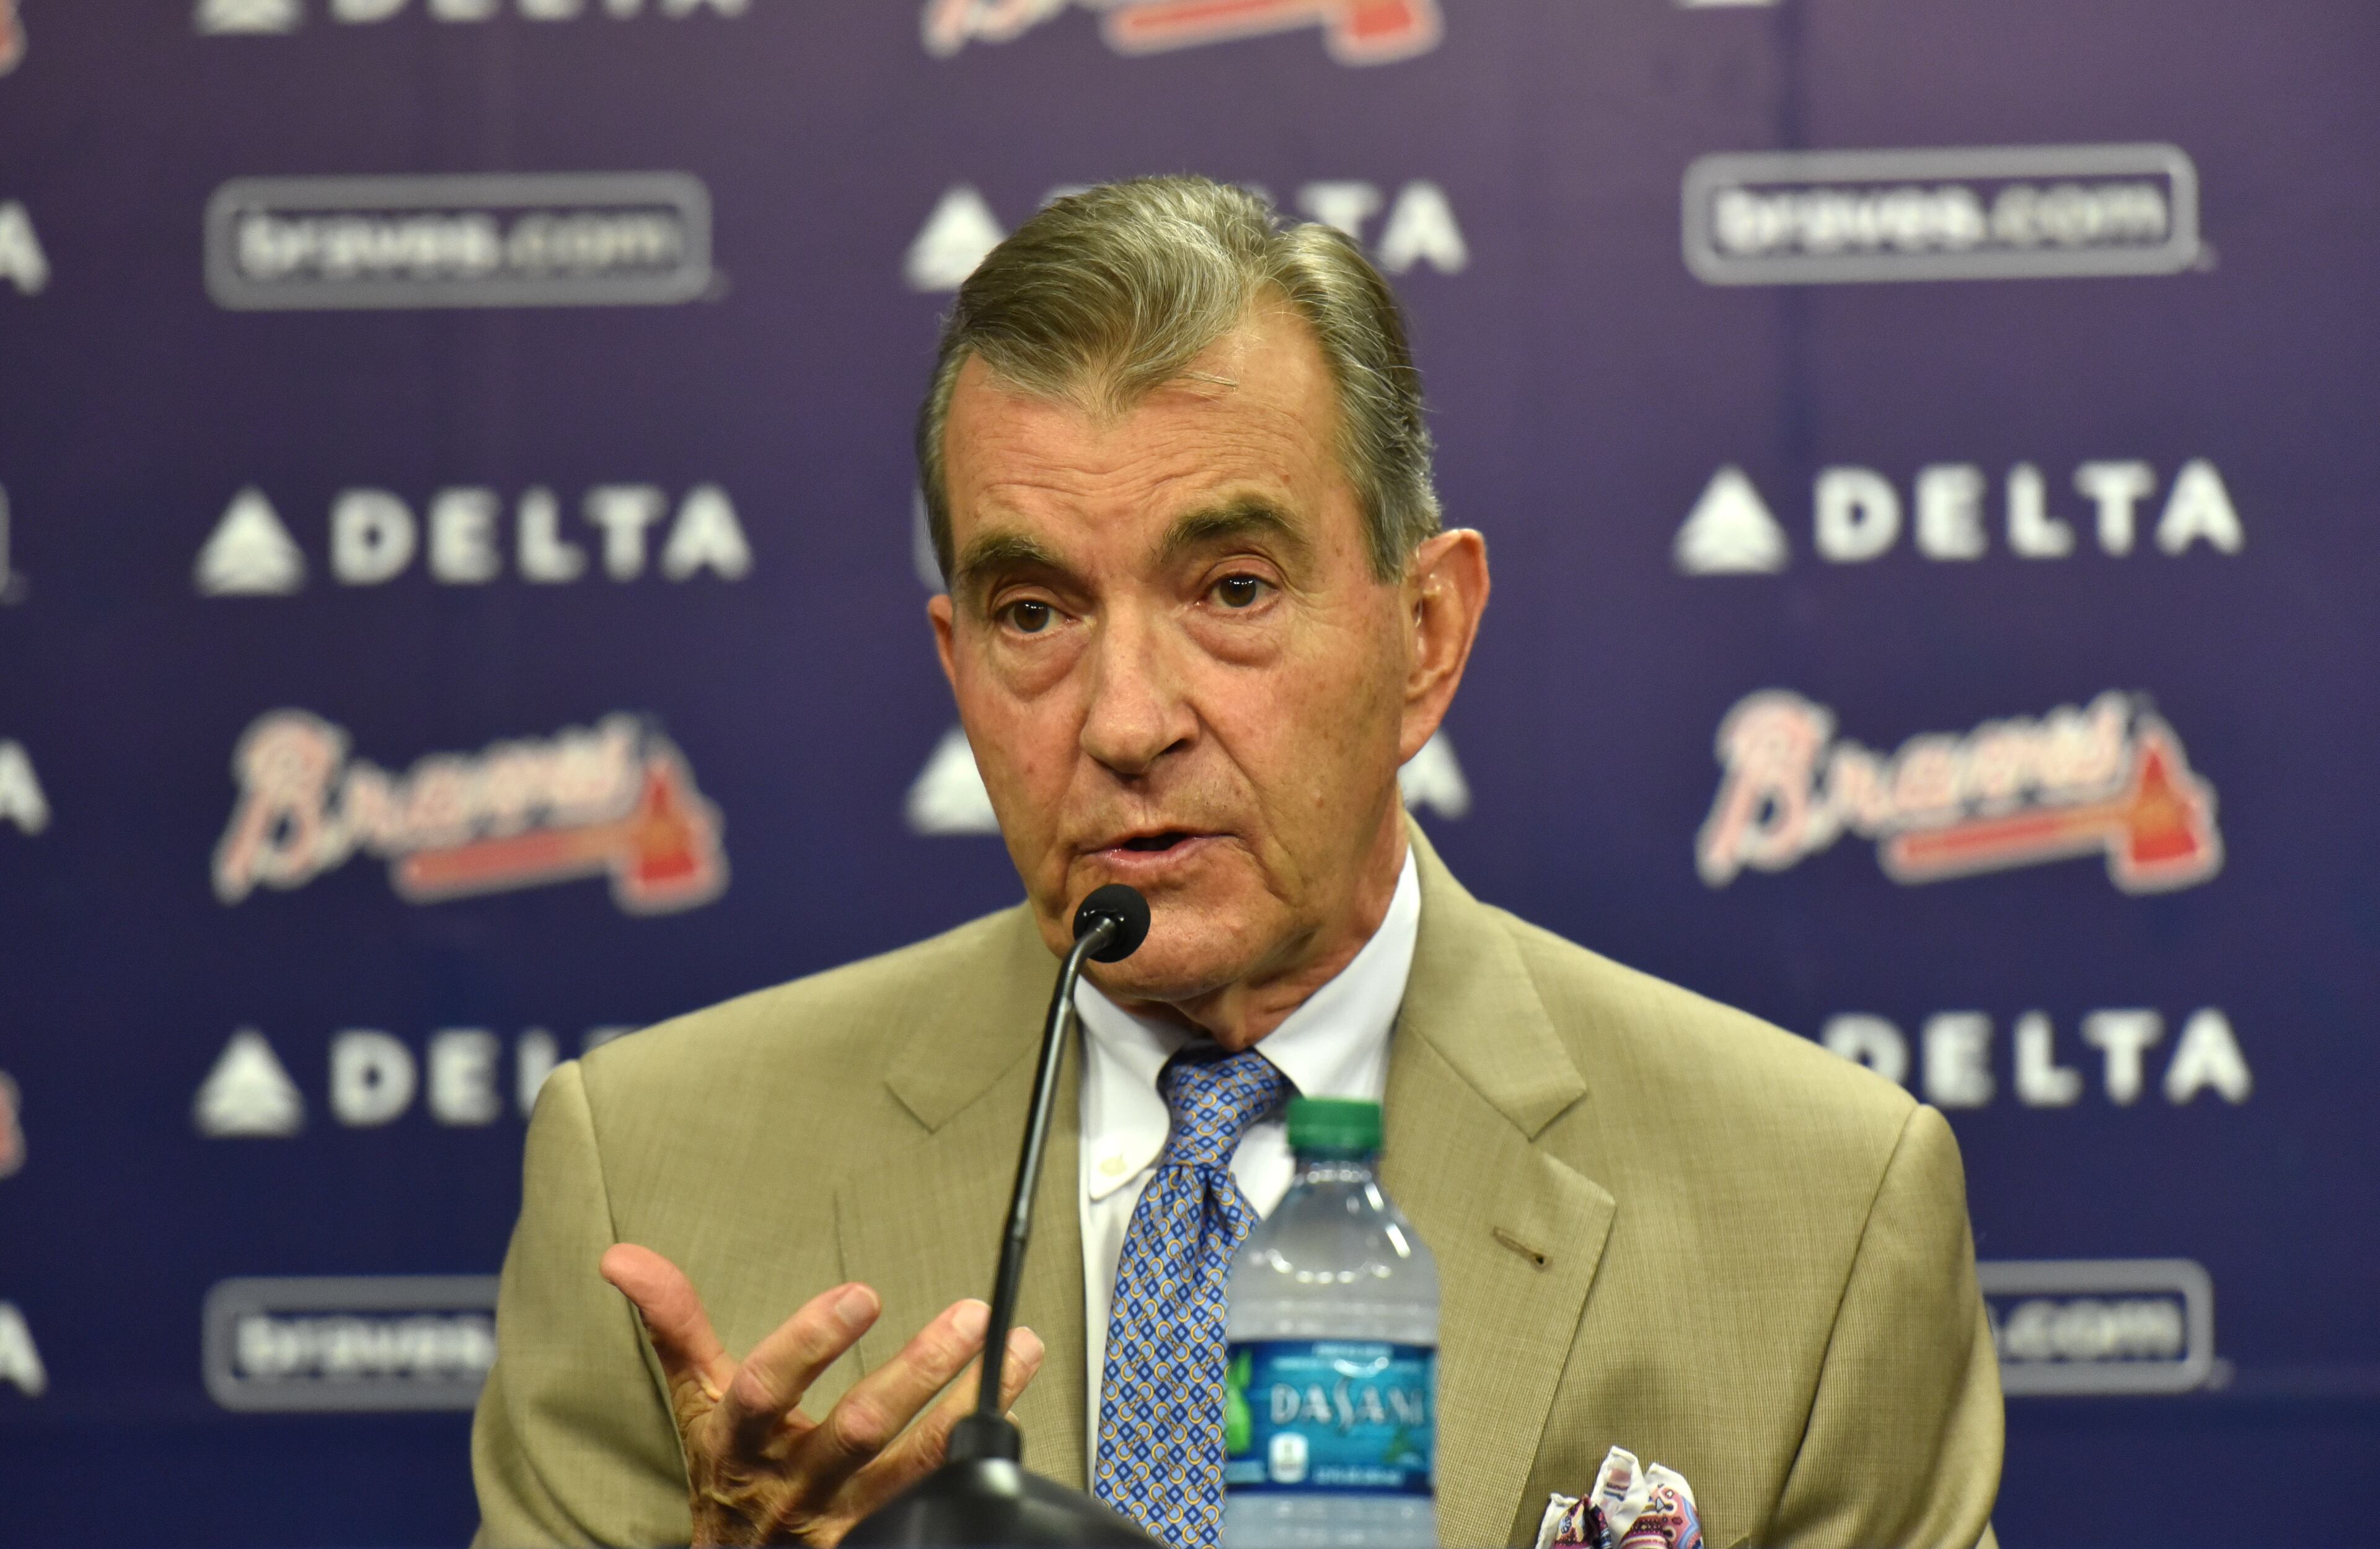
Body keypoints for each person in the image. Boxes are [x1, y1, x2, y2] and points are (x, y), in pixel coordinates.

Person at [470, 175, 2001, 1549]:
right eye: (1033, 612)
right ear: (957, 664)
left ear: (1425, 635)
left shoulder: (1821, 1214)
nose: (1127, 721)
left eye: (1235, 587)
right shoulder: (650, 1179)